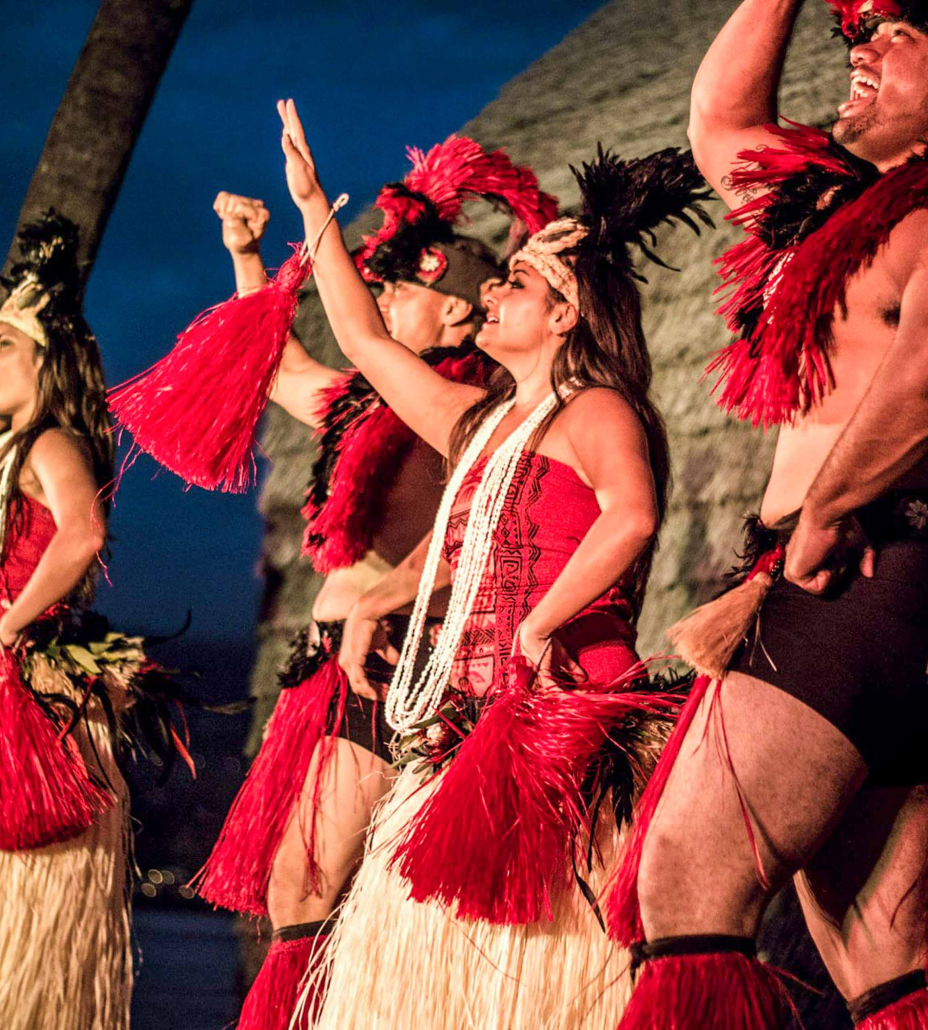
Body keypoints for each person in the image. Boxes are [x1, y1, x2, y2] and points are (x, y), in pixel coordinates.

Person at [276, 98, 709, 1029]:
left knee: (548, 972)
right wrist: (315, 212)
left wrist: (540, 622)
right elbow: (363, 342)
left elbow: (630, 518)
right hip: (467, 717)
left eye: (514, 282)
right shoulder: (478, 425)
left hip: (562, 710)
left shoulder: (596, 410)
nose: (492, 296)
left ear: (565, 315)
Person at [605, 3, 928, 1027]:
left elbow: (923, 386)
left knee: (685, 889)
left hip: (861, 568)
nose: (860, 50)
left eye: (896, 35)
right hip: (862, 582)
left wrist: (828, 508)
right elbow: (720, 122)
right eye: (853, 36)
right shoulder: (850, 206)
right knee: (883, 954)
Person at [192, 146, 557, 1029]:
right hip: (328, 664)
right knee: (300, 894)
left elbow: (468, 525)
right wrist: (248, 256)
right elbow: (273, 367)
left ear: (461, 311)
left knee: (307, 890)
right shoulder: (367, 399)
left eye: (403, 291)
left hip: (395, 660)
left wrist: (380, 598)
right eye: (381, 288)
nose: (385, 301)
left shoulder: (468, 407)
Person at [0, 197, 177, 1030]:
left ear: (47, 362)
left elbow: (83, 531)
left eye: (5, 344)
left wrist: (14, 625)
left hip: (7, 701)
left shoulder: (54, 444)